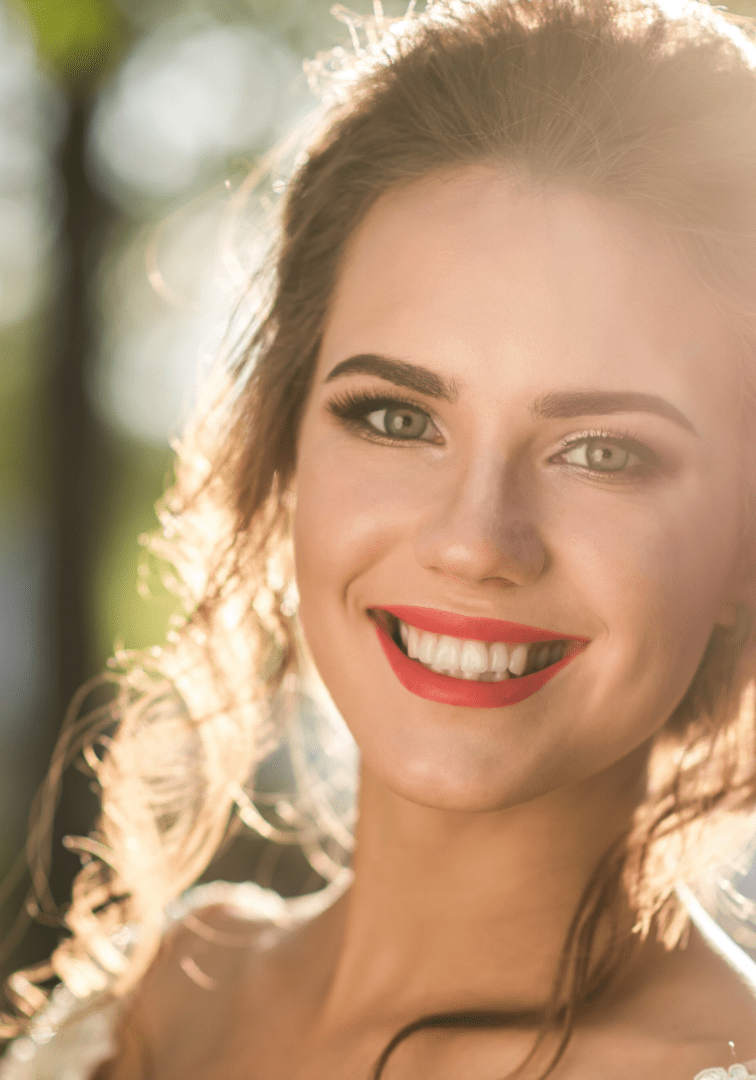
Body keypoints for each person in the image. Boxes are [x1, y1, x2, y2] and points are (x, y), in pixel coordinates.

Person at [5, 0, 756, 1075]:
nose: (475, 540)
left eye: (602, 450)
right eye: (397, 418)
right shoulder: (162, 997)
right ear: (288, 445)